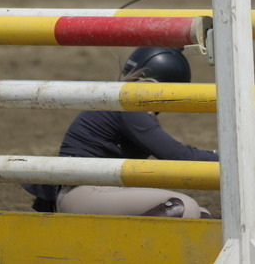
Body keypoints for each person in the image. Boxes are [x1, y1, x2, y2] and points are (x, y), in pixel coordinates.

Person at [23, 47, 218, 218]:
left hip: (93, 193)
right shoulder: (129, 107)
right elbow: (178, 156)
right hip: (82, 194)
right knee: (183, 208)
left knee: (202, 215)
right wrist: (226, 157)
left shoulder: (123, 102)